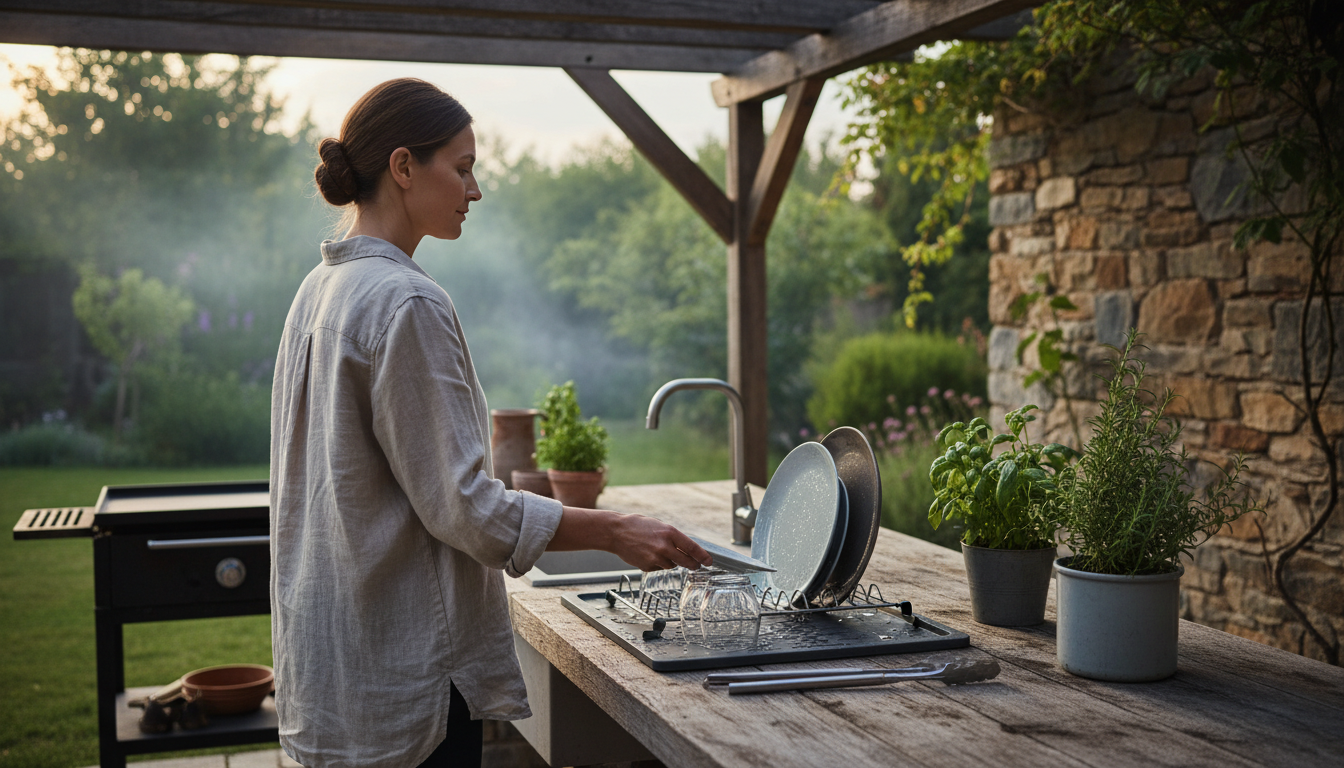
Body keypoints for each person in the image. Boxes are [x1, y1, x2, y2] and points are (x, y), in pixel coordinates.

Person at [270, 78, 711, 768]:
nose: (475, 190)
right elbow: (467, 511)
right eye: (464, 167)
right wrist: (618, 530)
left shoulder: (318, 290)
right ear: (404, 167)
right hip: (405, 680)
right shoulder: (405, 301)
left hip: (330, 672)